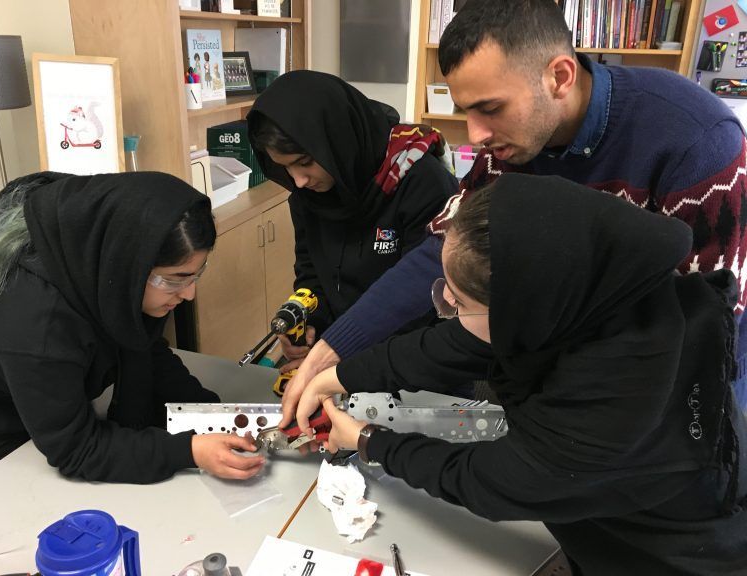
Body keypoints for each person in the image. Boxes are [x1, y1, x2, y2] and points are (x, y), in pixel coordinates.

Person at [279, 0, 747, 427]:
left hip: (683, 393)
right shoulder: (511, 144)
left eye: (490, 109)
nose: (476, 134)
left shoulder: (696, 141)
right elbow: (443, 247)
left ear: (559, 77)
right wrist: (333, 349)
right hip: (568, 368)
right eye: (464, 110)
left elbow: (702, 322)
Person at [296, 173, 747, 575]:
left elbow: (485, 481)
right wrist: (336, 377)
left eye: (457, 303)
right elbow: (453, 344)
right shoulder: (587, 292)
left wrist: (368, 440)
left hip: (669, 551)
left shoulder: (613, 399)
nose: (447, 314)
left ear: (517, 310)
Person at [0, 172, 264, 483]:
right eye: (174, 280)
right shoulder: (36, 320)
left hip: (45, 413)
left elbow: (146, 349)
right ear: (129, 265)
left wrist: (221, 419)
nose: (188, 294)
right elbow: (76, 449)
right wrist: (190, 451)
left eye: (195, 276)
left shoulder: (104, 267)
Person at [247, 70, 457, 370]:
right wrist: (309, 326)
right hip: (342, 355)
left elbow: (425, 301)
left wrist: (342, 359)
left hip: (416, 359)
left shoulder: (422, 182)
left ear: (337, 141)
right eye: (285, 168)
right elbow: (311, 273)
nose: (299, 180)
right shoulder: (307, 193)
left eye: (304, 163)